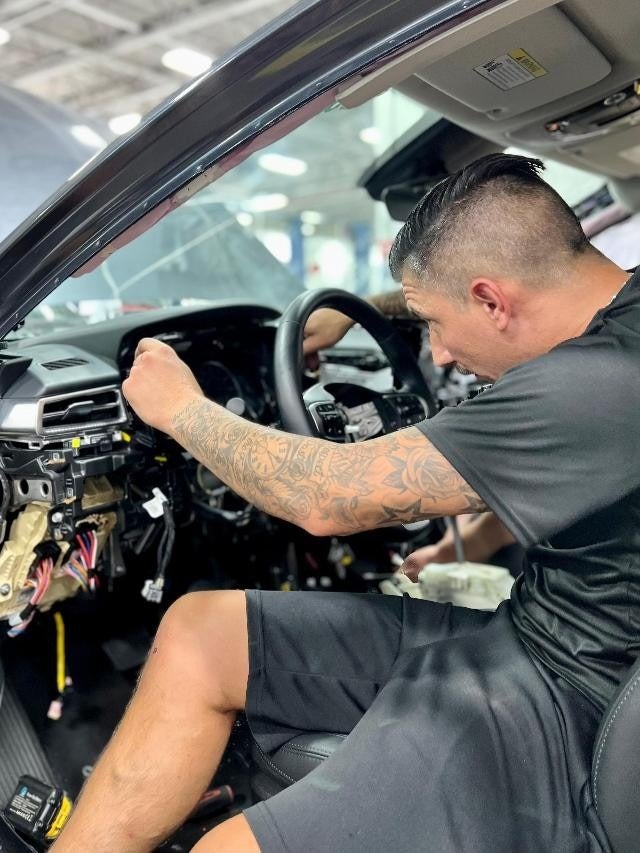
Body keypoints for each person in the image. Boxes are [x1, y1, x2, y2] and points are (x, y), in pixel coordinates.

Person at [50, 153, 639, 853]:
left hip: (571, 705)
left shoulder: (590, 384)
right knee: (199, 631)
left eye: (434, 323)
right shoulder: (617, 315)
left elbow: (325, 495)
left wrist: (180, 408)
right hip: (537, 631)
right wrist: (367, 315)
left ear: (491, 300)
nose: (442, 355)